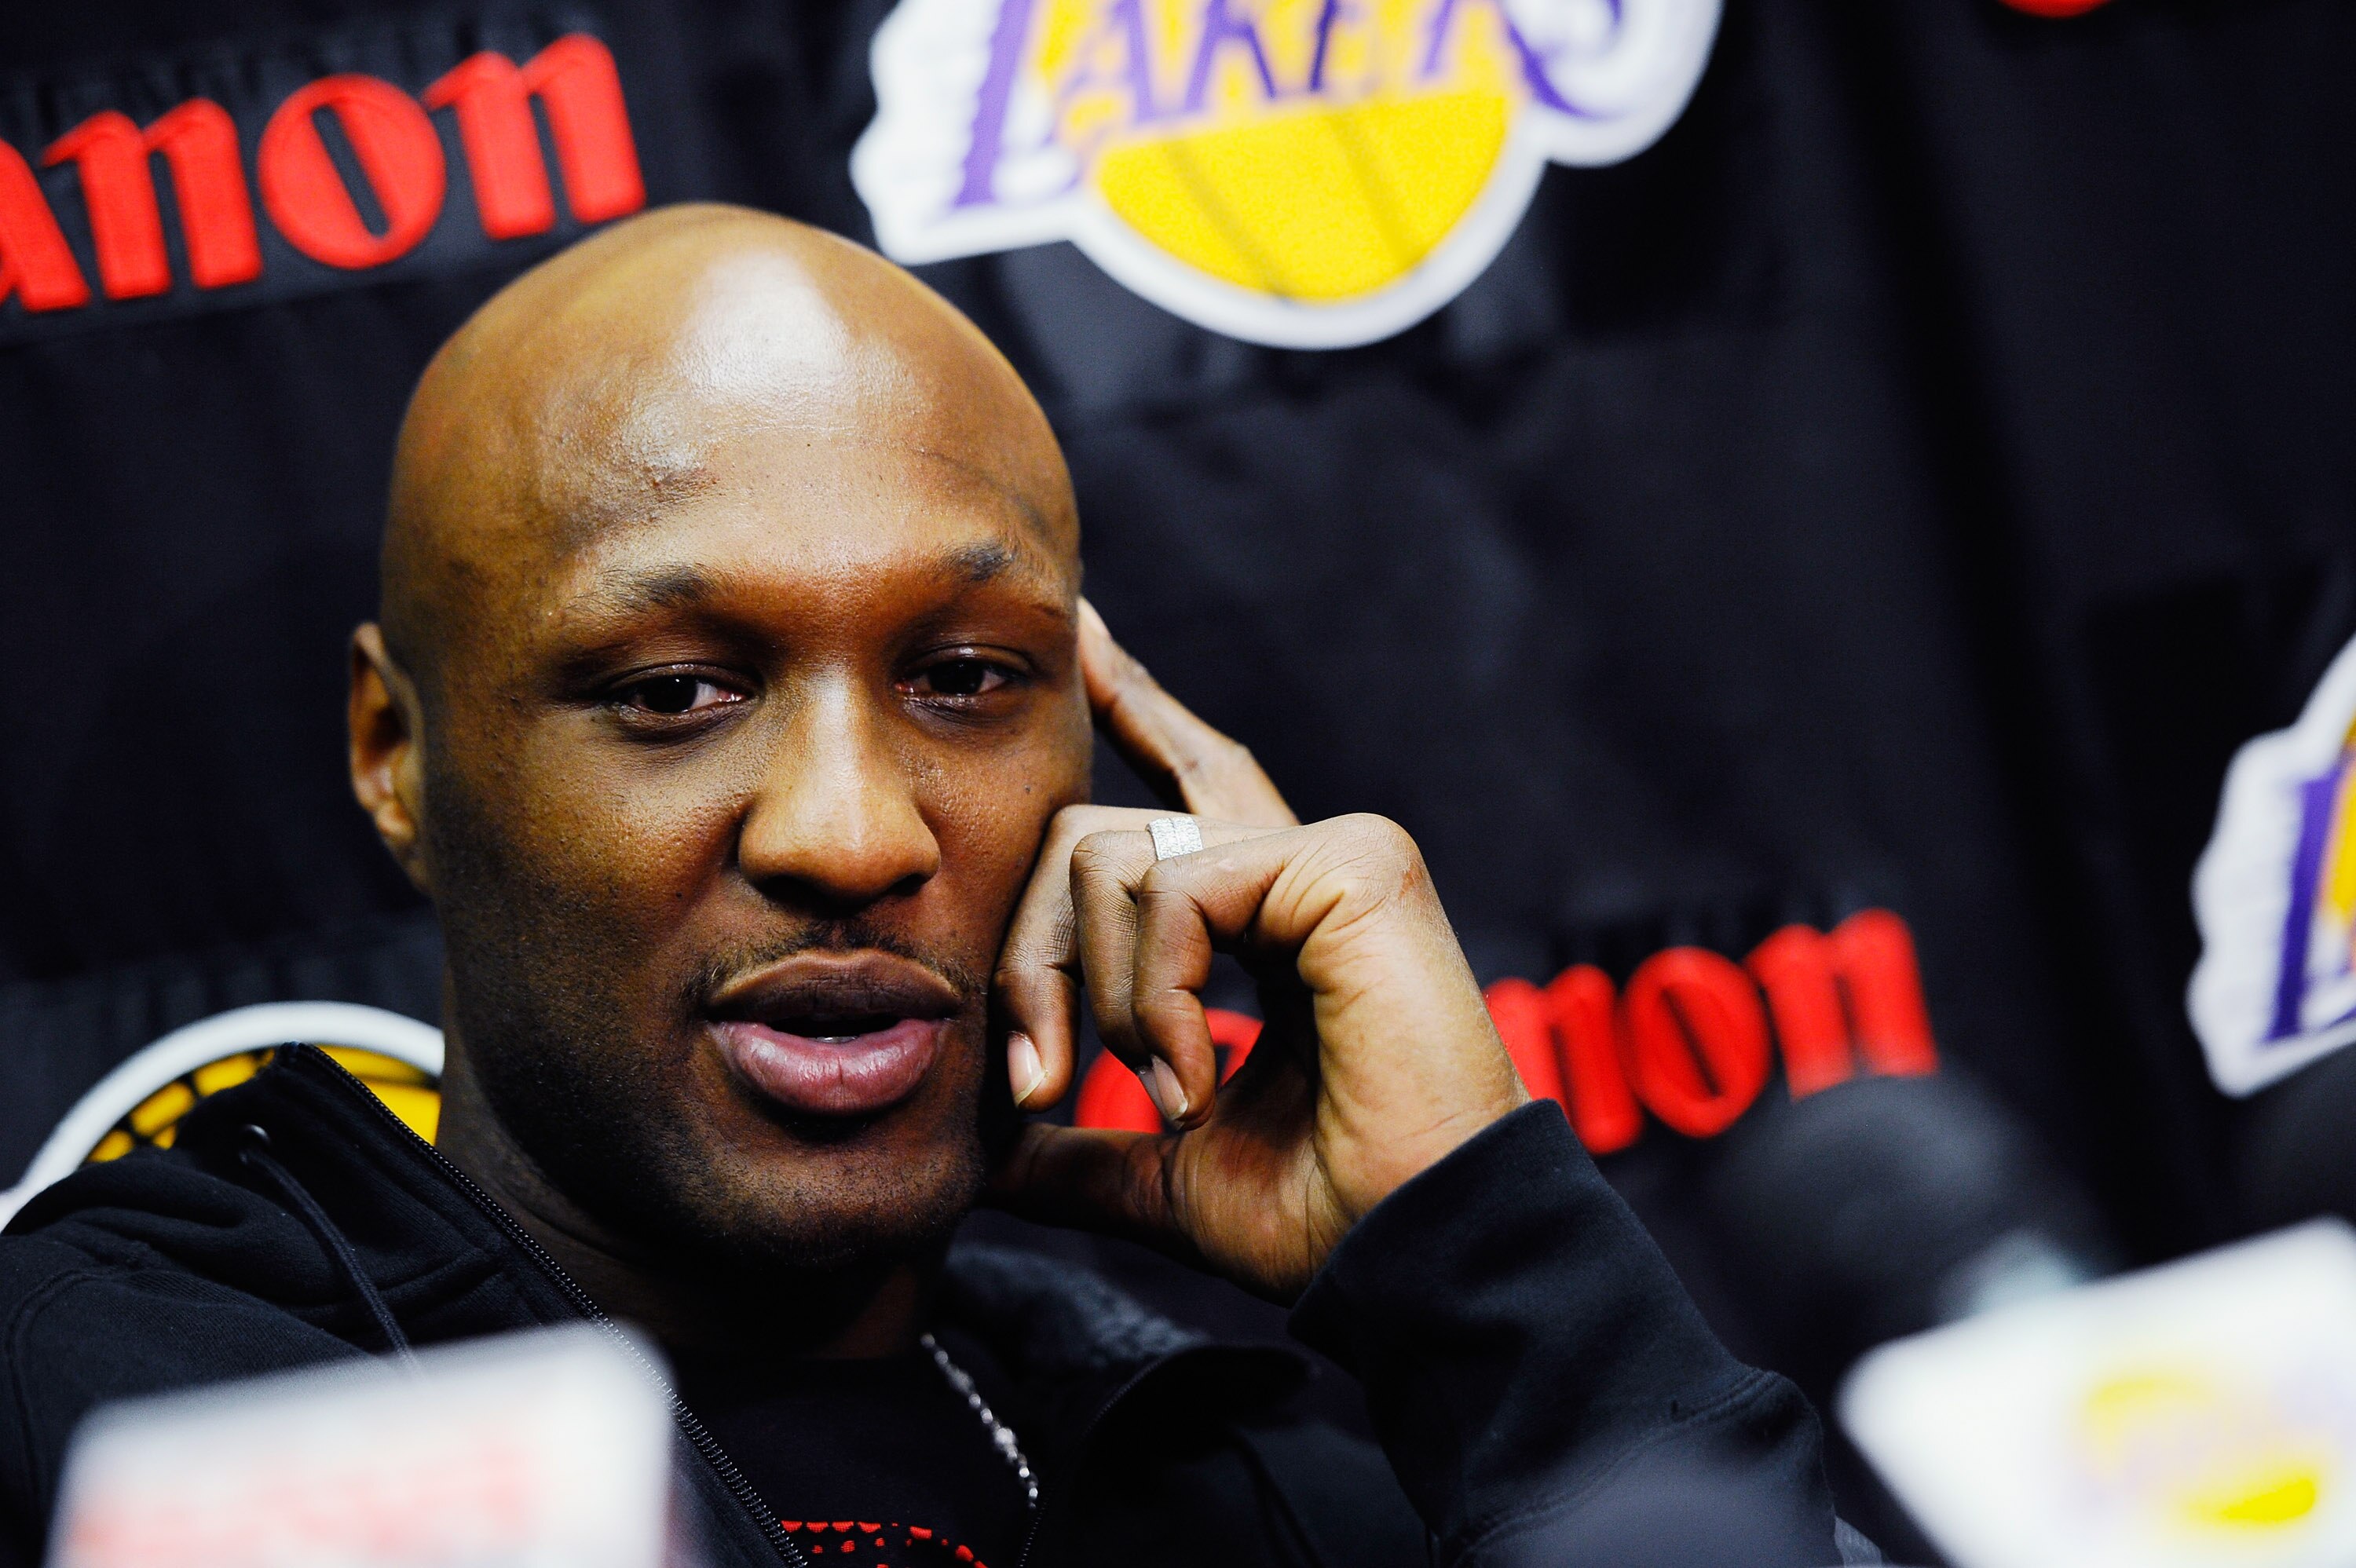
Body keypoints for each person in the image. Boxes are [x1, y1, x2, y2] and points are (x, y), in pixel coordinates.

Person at [0, 206, 1867, 1568]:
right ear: (397, 756)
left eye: (965, 679)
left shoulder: (1256, 1483)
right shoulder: (132, 1396)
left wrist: (1472, 1260)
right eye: (677, 694)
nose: (853, 832)